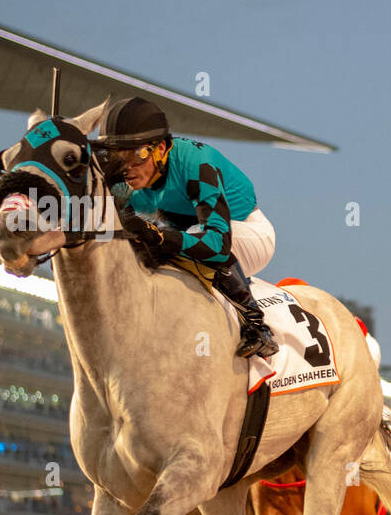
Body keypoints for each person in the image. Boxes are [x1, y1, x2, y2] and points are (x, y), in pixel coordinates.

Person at [93, 97, 278, 359]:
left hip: (246, 233)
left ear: (161, 148)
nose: (127, 169)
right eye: (116, 157)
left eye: (136, 155)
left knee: (183, 241)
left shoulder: (196, 164)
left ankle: (257, 326)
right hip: (194, 229)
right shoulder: (125, 181)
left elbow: (216, 244)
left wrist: (159, 236)